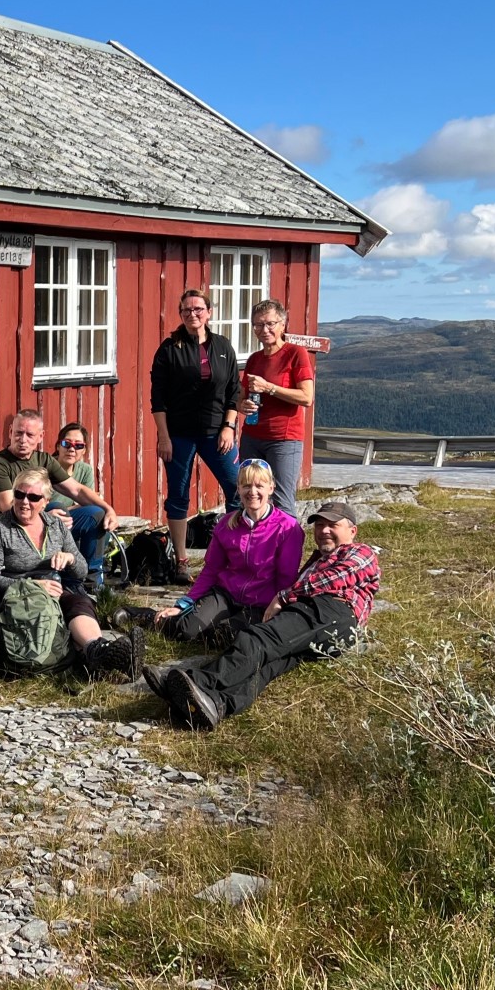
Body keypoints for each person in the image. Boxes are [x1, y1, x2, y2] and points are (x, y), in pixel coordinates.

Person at [151, 502, 379, 729]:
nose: (324, 531)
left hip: (331, 611)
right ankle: (217, 704)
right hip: (324, 625)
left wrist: (283, 597)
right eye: (320, 525)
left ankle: (198, 681)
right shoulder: (318, 559)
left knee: (256, 639)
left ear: (352, 531)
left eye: (332, 525)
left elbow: (331, 580)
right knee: (269, 664)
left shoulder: (360, 551)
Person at [0, 471, 141, 680]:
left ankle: (97, 650)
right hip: (15, 595)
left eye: (33, 498)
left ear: (45, 502)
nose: (24, 502)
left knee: (79, 603)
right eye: (19, 494)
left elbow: (82, 571)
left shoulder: (55, 525)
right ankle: (100, 662)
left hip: (54, 590)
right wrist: (32, 586)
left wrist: (70, 558)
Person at [139, 459, 302, 645]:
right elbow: (211, 570)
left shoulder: (288, 528)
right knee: (187, 631)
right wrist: (184, 603)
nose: (253, 492)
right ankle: (145, 617)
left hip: (260, 602)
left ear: (271, 488)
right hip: (226, 594)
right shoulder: (226, 524)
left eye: (259, 486)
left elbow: (286, 577)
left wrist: (279, 607)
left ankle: (211, 629)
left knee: (223, 637)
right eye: (246, 486)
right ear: (238, 489)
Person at [150, 289, 243, 579]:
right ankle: (181, 562)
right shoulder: (169, 349)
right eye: (187, 310)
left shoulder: (223, 346)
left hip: (217, 432)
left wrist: (229, 426)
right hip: (178, 433)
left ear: (209, 312)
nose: (193, 314)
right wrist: (163, 437)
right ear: (181, 315)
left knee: (237, 489)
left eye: (198, 309)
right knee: (178, 496)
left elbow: (233, 392)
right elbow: (158, 398)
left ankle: (233, 553)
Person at [0, 410, 118, 588]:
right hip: (12, 532)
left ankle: (90, 582)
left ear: (40, 436)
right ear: (10, 432)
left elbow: (76, 490)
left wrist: (109, 509)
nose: (23, 440)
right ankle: (64, 581)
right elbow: (11, 507)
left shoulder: (43, 460)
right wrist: (45, 516)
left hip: (48, 526)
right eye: (18, 433)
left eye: (30, 435)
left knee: (97, 515)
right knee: (57, 505)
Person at [237, 300, 315, 513]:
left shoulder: (295, 353)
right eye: (258, 325)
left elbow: (306, 397)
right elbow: (241, 398)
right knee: (251, 498)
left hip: (284, 438)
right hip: (252, 436)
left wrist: (269, 388)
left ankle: (287, 546)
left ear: (283, 324)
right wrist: (242, 405)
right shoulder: (254, 359)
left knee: (282, 500)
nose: (264, 330)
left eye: (270, 324)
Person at [46, 423, 97, 513]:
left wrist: (68, 510)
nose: (72, 449)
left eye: (78, 445)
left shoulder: (85, 470)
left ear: (84, 450)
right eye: (66, 443)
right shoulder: (45, 467)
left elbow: (90, 501)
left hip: (69, 516)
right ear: (58, 446)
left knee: (97, 512)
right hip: (46, 515)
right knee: (56, 505)